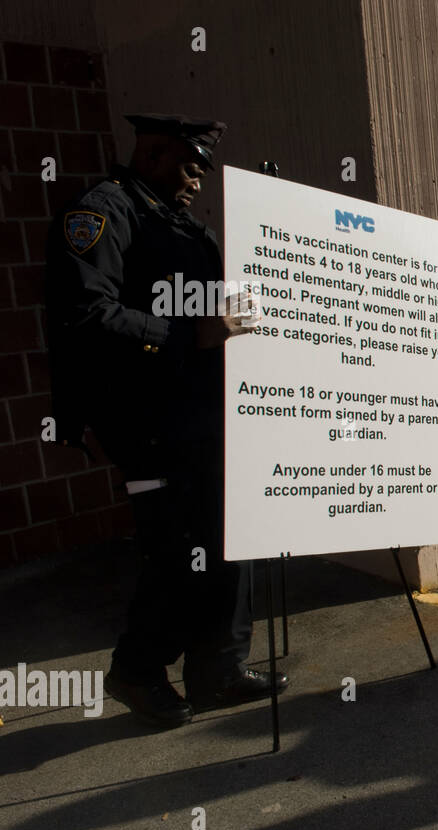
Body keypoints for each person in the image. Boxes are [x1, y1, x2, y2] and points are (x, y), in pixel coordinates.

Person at [45, 113, 286, 729]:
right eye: (188, 167)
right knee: (179, 551)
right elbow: (84, 314)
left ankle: (220, 668)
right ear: (151, 154)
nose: (197, 183)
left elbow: (207, 317)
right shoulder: (102, 213)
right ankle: (137, 670)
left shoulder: (182, 226)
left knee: (233, 538)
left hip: (204, 414)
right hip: (145, 420)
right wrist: (187, 333)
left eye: (202, 172)